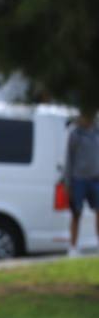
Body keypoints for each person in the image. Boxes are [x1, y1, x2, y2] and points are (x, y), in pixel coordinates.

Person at [65, 110, 99, 258]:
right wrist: (68, 182)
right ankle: (73, 248)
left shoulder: (97, 132)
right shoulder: (75, 134)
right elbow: (69, 159)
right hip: (78, 179)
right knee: (76, 214)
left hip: (96, 179)